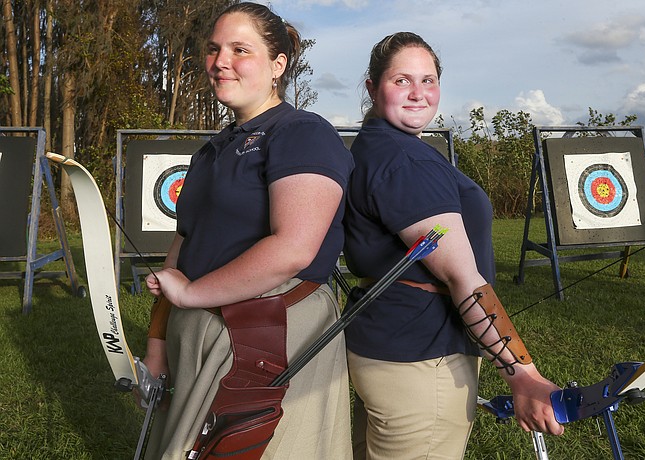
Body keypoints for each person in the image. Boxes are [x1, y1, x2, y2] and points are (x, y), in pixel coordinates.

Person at [141, 3, 353, 459]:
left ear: (278, 65)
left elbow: (293, 248)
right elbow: (184, 243)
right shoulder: (212, 149)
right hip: (199, 331)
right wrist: (158, 343)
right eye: (214, 49)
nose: (221, 61)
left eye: (240, 50)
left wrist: (191, 294)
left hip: (270, 333)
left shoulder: (303, 133)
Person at [342, 32, 565, 460]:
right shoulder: (406, 160)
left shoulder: (374, 146)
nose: (418, 93)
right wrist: (524, 375)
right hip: (423, 357)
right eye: (401, 80)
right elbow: (463, 277)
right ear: (372, 87)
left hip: (386, 344)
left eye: (428, 81)